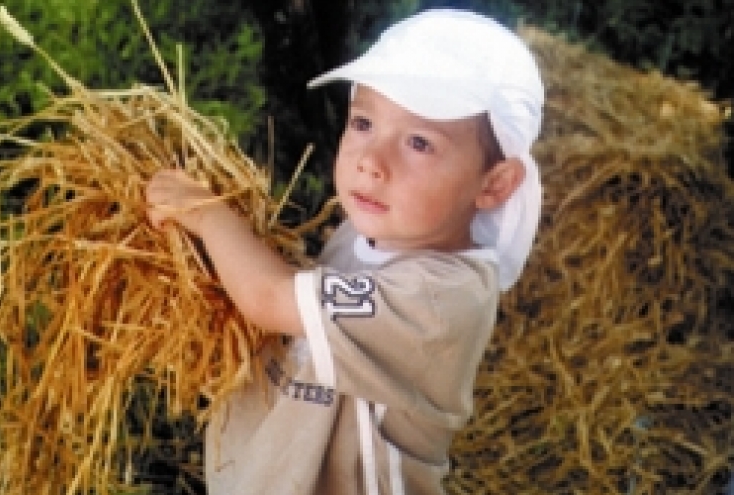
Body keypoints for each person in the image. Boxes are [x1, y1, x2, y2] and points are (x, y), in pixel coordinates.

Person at [145, 8, 544, 495]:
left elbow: (270, 298)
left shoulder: (437, 300)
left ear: (495, 183)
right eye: (362, 123)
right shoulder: (367, 233)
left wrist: (207, 214)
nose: (372, 161)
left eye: (419, 142)